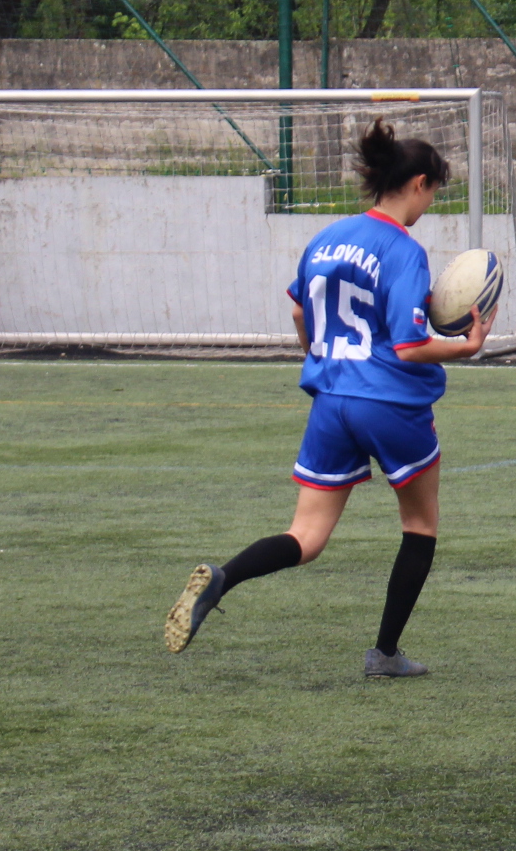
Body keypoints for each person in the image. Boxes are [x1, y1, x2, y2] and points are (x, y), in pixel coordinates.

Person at [164, 118, 488, 675]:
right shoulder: (403, 250)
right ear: (418, 184)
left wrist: (323, 357)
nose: (431, 202)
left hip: (331, 400)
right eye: (434, 191)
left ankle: (225, 576)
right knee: (420, 525)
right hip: (391, 403)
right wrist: (468, 347)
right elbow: (410, 346)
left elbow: (298, 311)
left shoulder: (325, 238)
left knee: (306, 536)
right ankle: (384, 654)